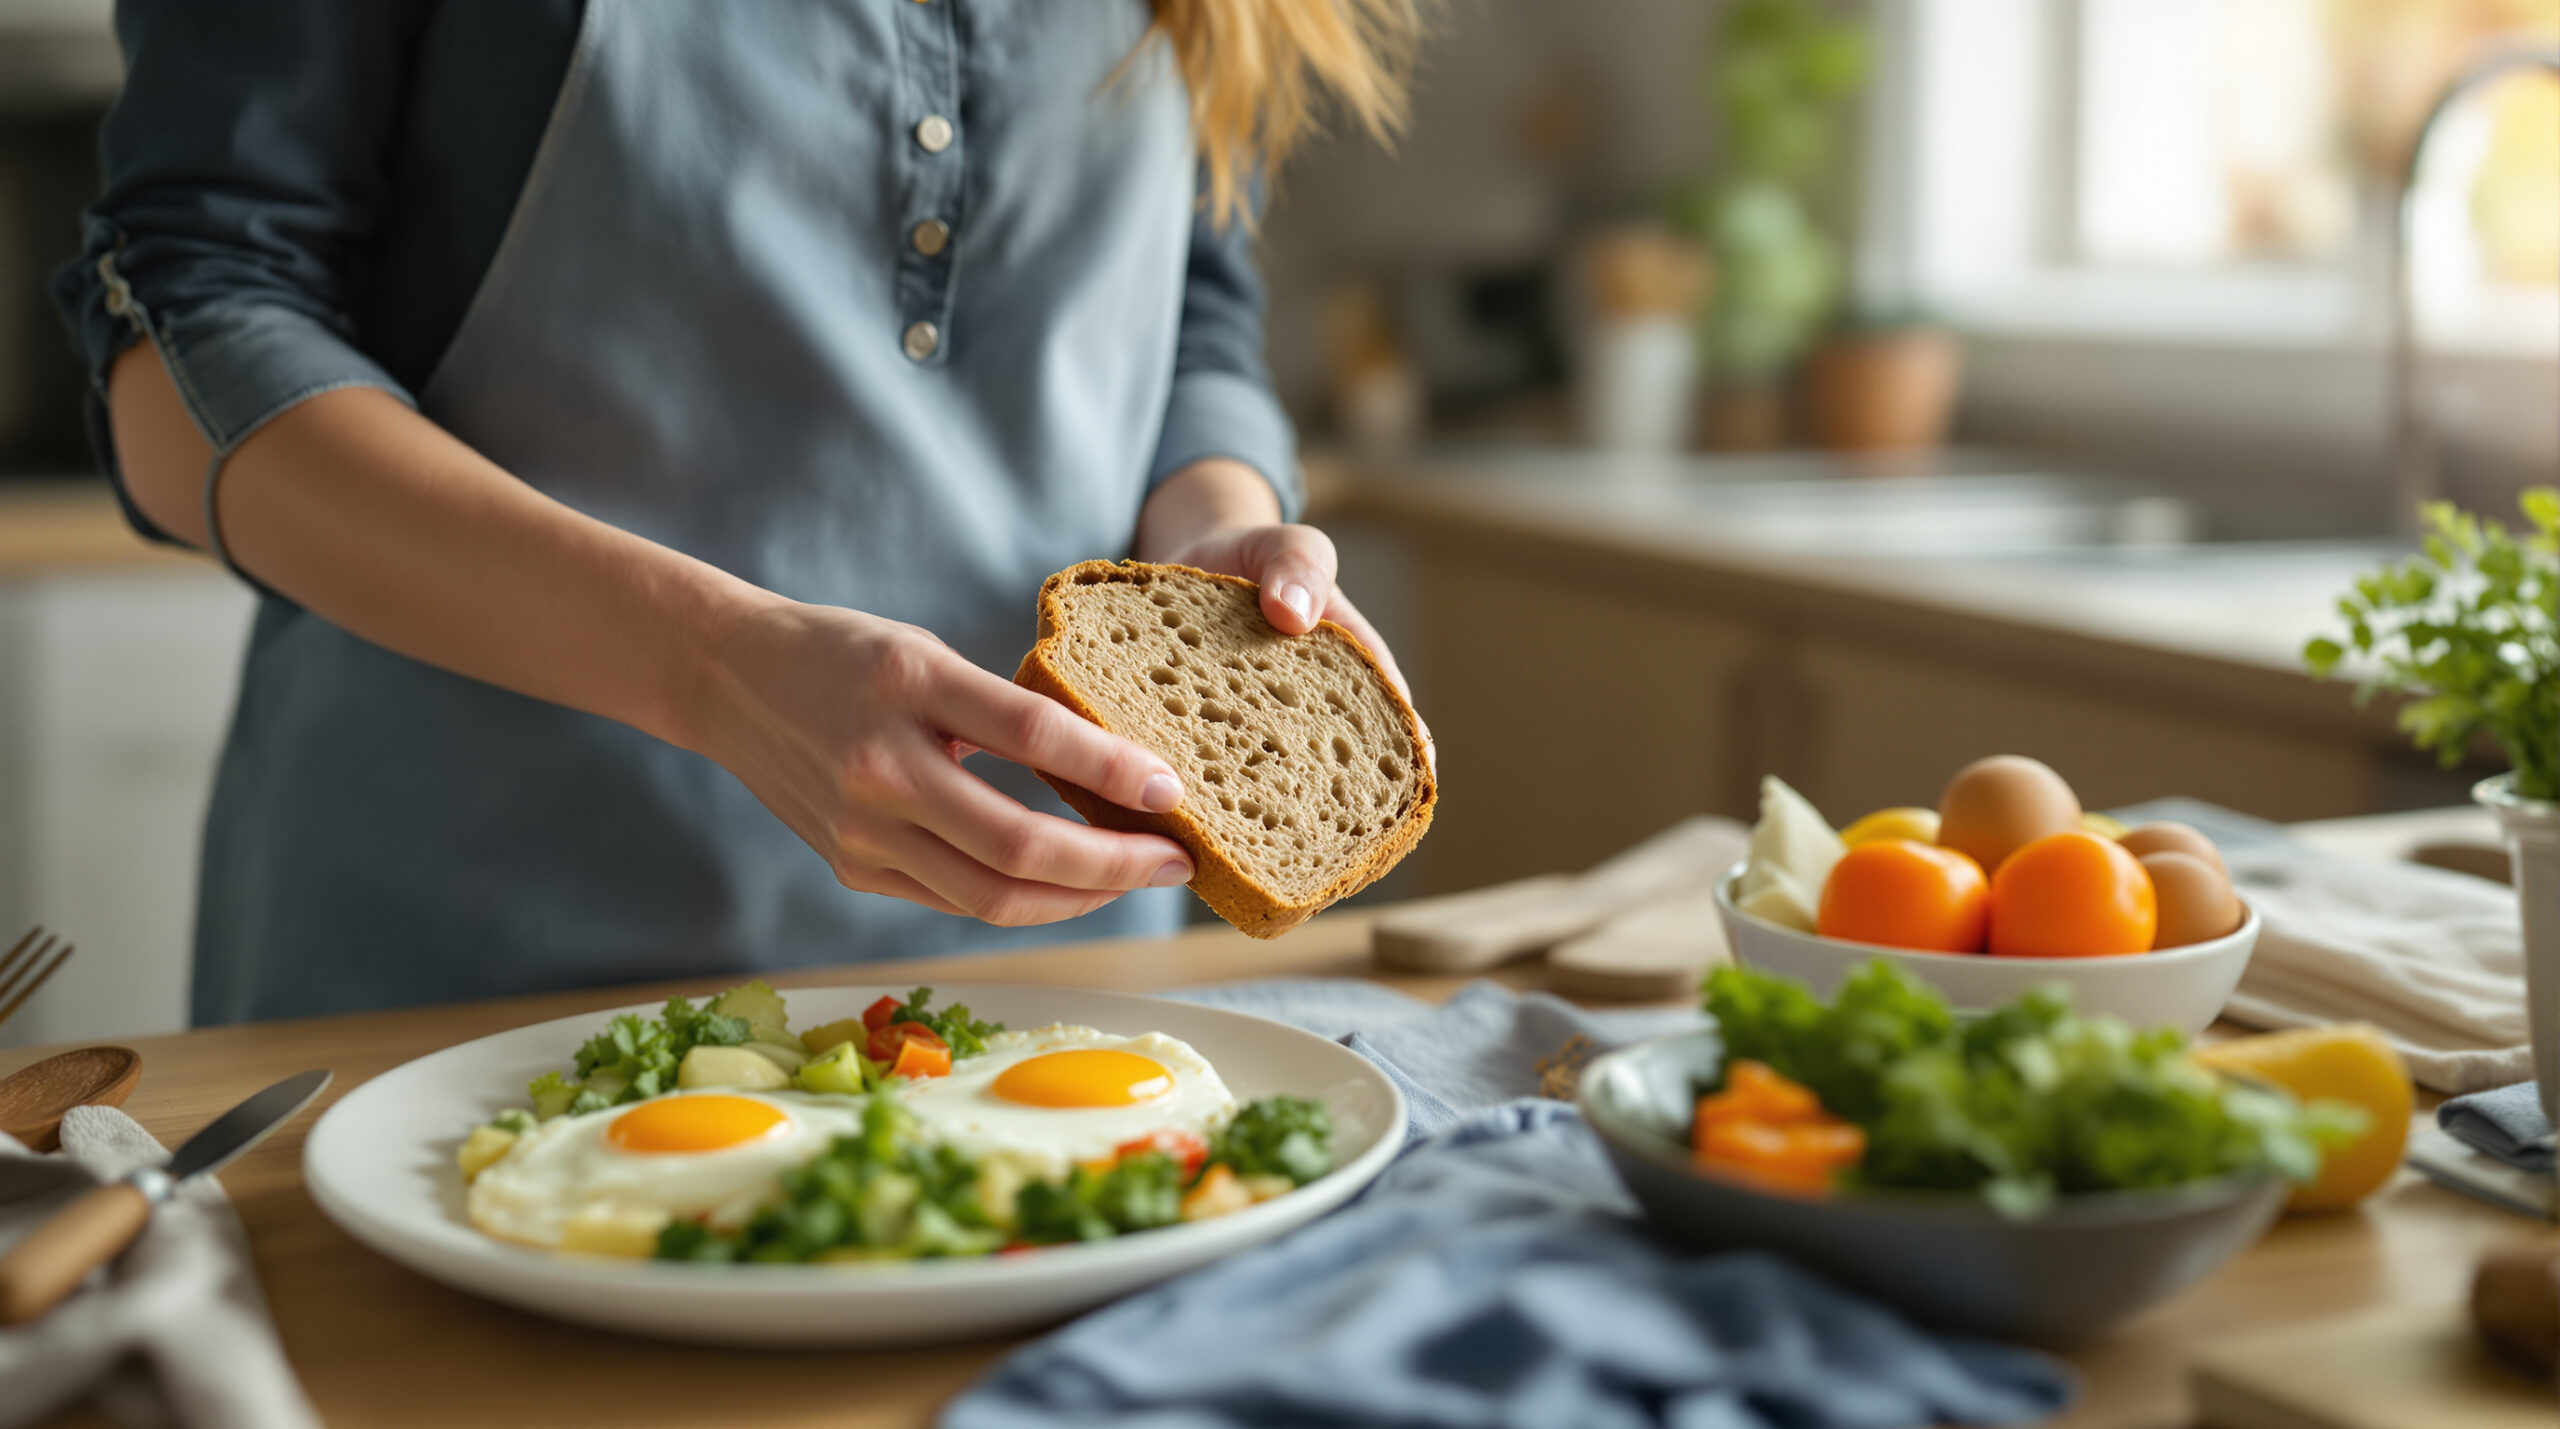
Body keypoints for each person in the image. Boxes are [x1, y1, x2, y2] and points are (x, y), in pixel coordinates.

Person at [55, 0, 1427, 1024]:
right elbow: (182, 355)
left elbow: (1188, 316)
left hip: (1056, 1014)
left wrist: (1209, 539)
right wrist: (708, 666)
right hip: (465, 993)